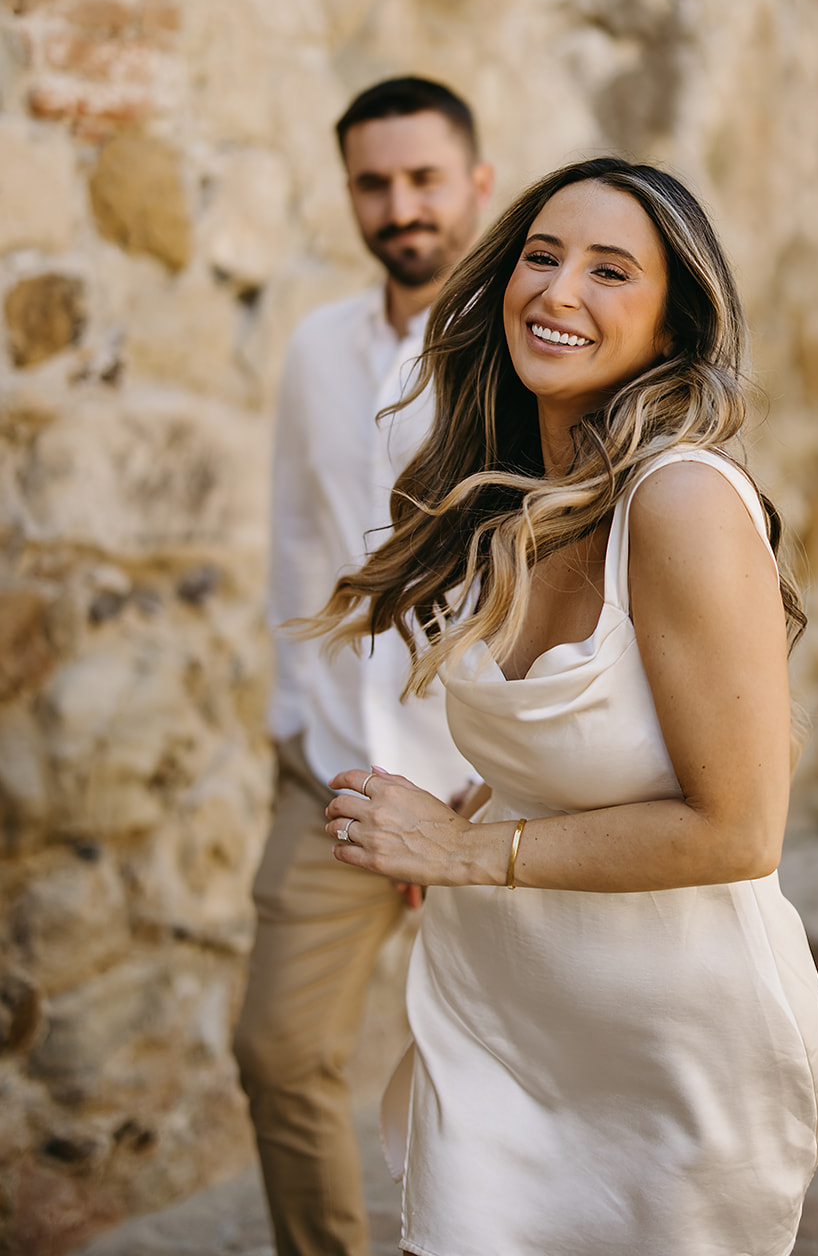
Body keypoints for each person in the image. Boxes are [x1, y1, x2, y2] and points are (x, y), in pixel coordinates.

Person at [314, 158, 818, 1256]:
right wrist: (483, 795)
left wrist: (466, 851)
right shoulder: (505, 496)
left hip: (668, 1054)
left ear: (669, 328)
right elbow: (581, 737)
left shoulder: (682, 501)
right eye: (540, 256)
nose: (556, 293)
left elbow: (739, 829)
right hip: (497, 1016)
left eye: (610, 271)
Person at [233, 76, 494, 1256]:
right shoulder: (315, 348)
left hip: (491, 797)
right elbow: (297, 539)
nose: (400, 207)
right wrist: (299, 721)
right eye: (373, 183)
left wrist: (474, 807)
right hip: (336, 773)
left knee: (516, 1088)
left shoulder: (526, 359)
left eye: (424, 178)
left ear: (476, 184)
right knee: (278, 1050)